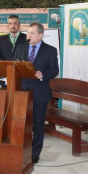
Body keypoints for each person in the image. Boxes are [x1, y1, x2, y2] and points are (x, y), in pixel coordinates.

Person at [13, 22, 59, 163]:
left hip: (40, 92)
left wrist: (43, 74)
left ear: (40, 35)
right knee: (21, 123)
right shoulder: (20, 48)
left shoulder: (50, 50)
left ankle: (34, 153)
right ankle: (20, 149)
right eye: (28, 32)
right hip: (22, 92)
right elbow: (14, 65)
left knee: (38, 125)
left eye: (32, 33)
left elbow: (54, 70)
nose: (29, 35)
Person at [0, 15, 27, 87]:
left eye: (15, 23)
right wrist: (5, 70)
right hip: (5, 77)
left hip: (21, 79)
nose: (12, 26)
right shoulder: (2, 39)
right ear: (7, 25)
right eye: (10, 23)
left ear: (19, 25)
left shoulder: (26, 38)